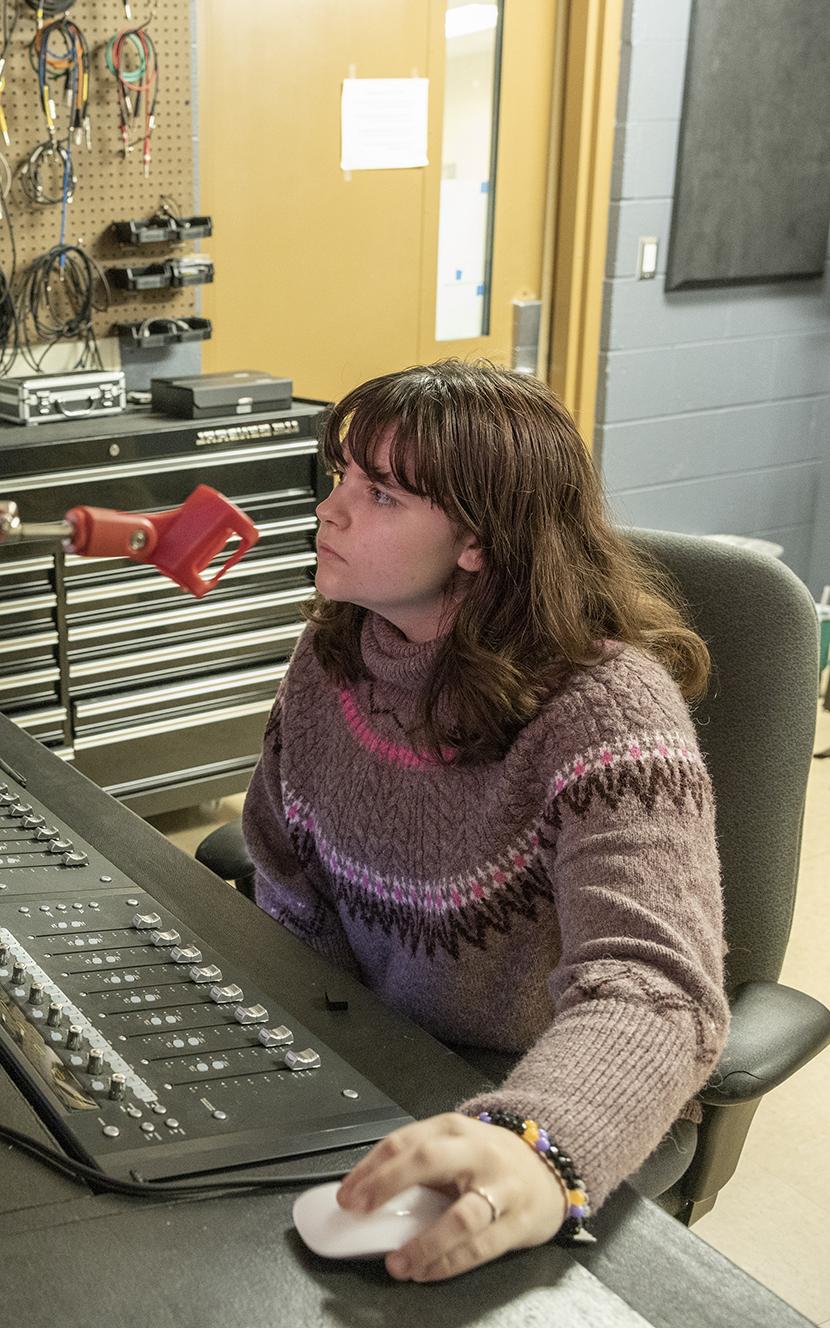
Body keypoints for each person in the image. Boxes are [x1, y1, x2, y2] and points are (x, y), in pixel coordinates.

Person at [243, 359, 730, 1283]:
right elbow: (286, 880)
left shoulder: (609, 713)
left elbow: (654, 990)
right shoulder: (333, 657)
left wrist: (531, 1141)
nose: (331, 510)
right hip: (373, 1062)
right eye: (341, 477)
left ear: (477, 540)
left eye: (380, 493)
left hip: (536, 1088)